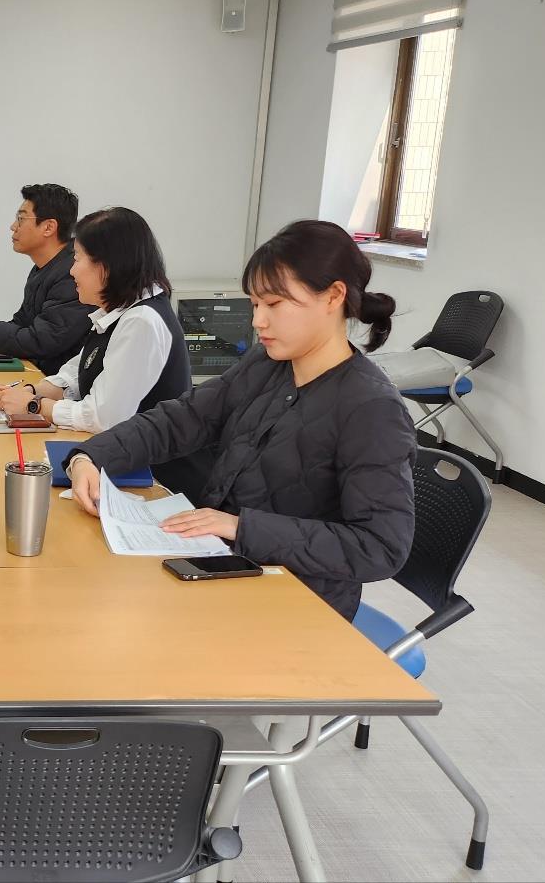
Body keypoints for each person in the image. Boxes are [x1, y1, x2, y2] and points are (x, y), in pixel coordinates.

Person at [64, 220, 415, 621]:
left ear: (333, 296)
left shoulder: (371, 409)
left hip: (297, 605)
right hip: (224, 568)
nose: (258, 322)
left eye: (275, 305)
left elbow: (379, 547)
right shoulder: (267, 364)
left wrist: (239, 527)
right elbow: (183, 419)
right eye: (255, 304)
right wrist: (91, 456)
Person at [0, 207, 190, 438]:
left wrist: (34, 406)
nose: (72, 271)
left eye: (77, 258)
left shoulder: (142, 321)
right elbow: (76, 375)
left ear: (107, 266)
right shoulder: (116, 312)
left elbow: (103, 417)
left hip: (153, 470)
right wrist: (27, 392)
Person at [0, 183, 93, 374]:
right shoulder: (45, 268)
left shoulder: (72, 273)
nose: (13, 226)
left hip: (62, 390)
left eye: (21, 219)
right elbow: (22, 324)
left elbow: (44, 339)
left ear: (48, 227)